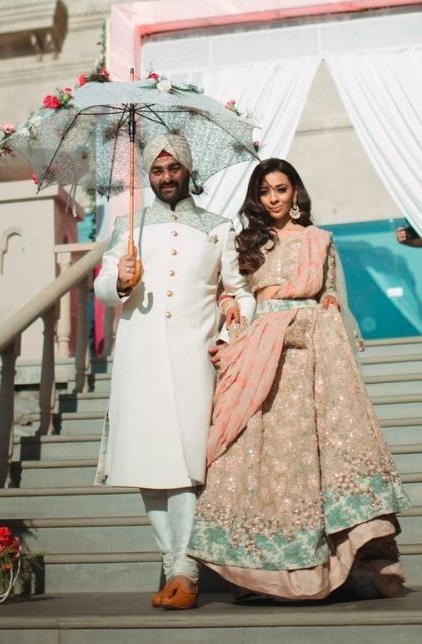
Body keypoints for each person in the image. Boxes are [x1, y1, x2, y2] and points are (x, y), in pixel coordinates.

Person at [187, 158, 411, 601]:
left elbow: (328, 289)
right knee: (262, 455)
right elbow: (232, 286)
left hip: (312, 352)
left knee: (316, 452)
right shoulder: (247, 241)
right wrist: (231, 304)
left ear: (295, 193)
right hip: (260, 351)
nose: (273, 198)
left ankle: (338, 559)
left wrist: (326, 304)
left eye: (281, 189)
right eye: (266, 191)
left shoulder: (318, 239)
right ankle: (262, 570)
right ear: (257, 197)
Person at [93, 133, 255, 609]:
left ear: (188, 171)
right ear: (149, 175)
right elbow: (102, 284)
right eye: (158, 171)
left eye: (174, 169)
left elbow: (240, 289)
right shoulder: (129, 225)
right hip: (139, 356)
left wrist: (233, 322)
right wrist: (118, 281)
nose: (166, 178)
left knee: (186, 463)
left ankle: (185, 570)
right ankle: (172, 564)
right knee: (149, 463)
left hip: (194, 355)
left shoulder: (217, 227)